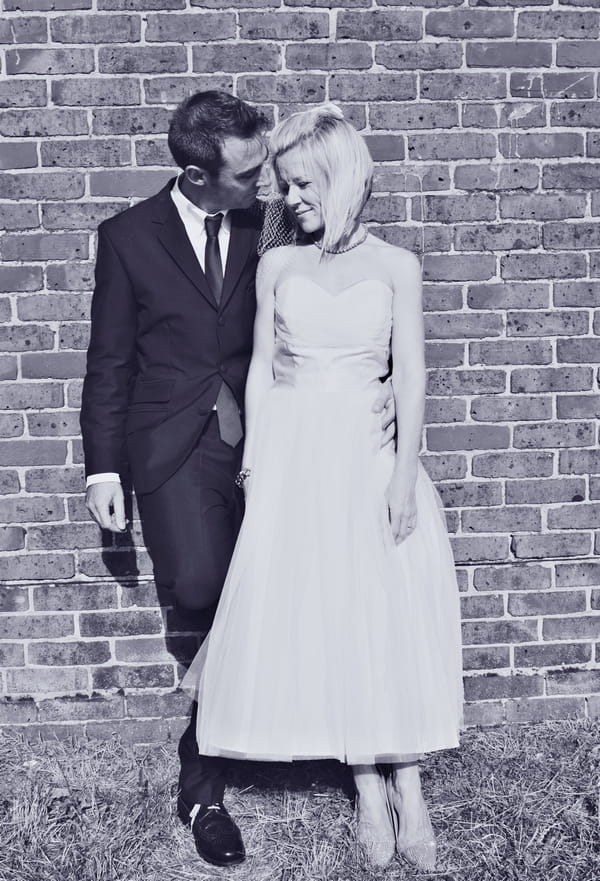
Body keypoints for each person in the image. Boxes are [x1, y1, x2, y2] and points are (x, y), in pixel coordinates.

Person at [80, 91, 393, 868]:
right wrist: (103, 466)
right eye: (250, 173)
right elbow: (109, 360)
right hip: (175, 447)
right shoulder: (126, 238)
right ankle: (233, 721)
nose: (267, 184)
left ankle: (207, 778)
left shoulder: (278, 221)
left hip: (281, 438)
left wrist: (378, 387)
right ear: (196, 175)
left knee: (313, 581)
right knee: (200, 585)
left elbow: (338, 296)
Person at [182, 103, 464, 872]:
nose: (291, 198)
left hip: (370, 455)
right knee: (332, 606)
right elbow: (262, 372)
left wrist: (405, 472)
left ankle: (411, 782)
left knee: (385, 606)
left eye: (303, 184)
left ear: (342, 177)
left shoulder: (396, 266)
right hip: (298, 455)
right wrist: (257, 464)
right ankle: (368, 784)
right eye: (283, 184)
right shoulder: (279, 266)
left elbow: (410, 376)